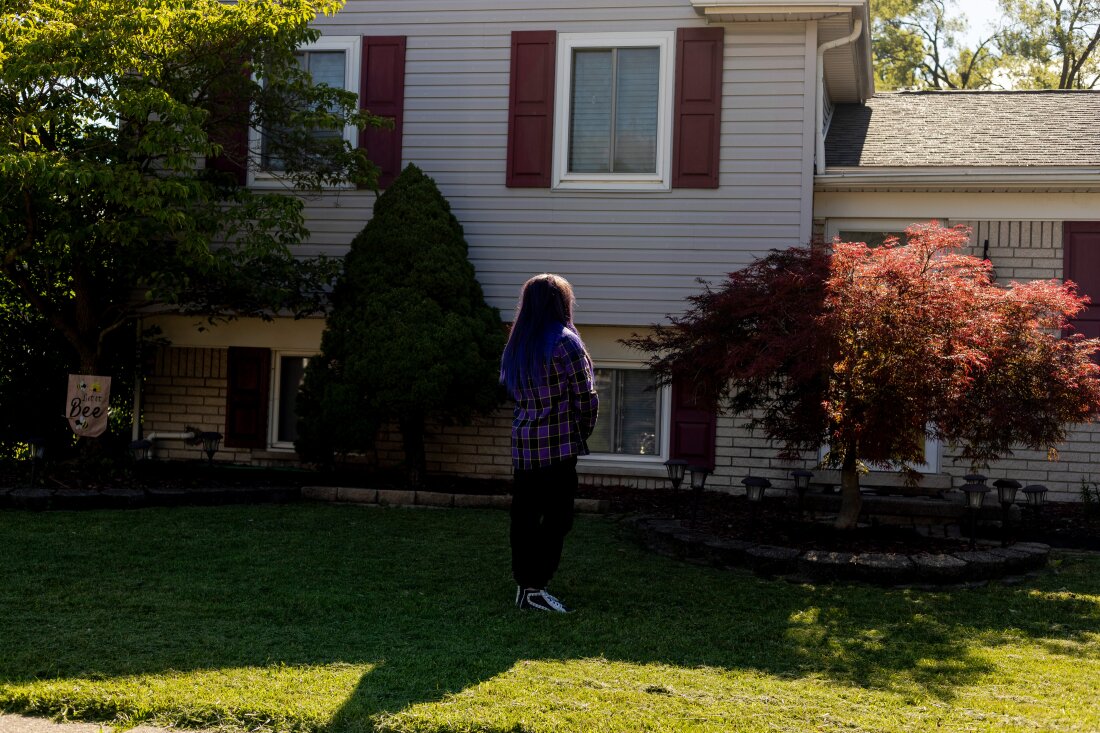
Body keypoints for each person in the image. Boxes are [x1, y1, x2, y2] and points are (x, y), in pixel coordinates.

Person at [500, 274, 599, 613]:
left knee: (525, 516)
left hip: (524, 444)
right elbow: (586, 397)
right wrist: (581, 431)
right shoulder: (565, 341)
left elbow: (513, 393)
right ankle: (534, 588)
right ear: (561, 302)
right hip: (557, 447)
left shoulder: (518, 343)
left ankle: (524, 584)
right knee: (558, 519)